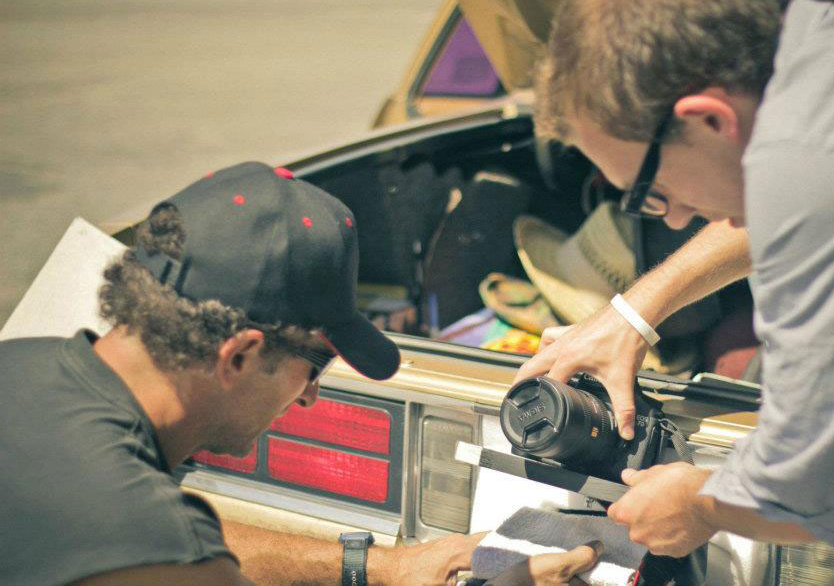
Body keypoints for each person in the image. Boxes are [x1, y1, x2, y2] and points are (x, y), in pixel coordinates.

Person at [514, 0, 834, 578]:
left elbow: (812, 487)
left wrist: (699, 504)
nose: (673, 219)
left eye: (651, 193)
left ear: (708, 119)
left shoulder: (823, 182)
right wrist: (633, 313)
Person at [0, 162, 598, 586]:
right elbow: (171, 546)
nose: (310, 396)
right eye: (315, 363)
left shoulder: (22, 367)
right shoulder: (158, 549)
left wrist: (386, 567)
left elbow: (182, 533)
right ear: (238, 356)